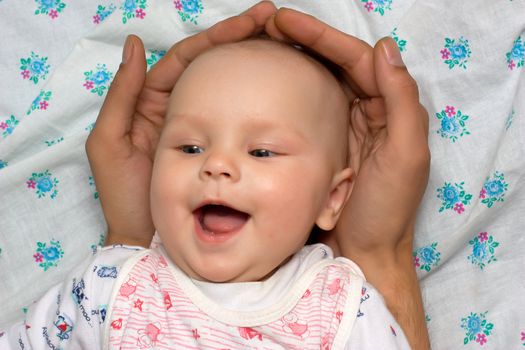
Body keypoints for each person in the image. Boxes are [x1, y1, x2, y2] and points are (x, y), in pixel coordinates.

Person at [1, 35, 416, 349]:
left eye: (262, 151)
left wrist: (382, 250)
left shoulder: (341, 307)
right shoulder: (109, 284)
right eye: (191, 148)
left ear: (332, 198)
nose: (215, 164)